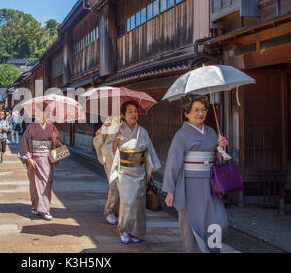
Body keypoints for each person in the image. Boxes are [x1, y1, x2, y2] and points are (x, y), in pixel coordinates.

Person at [162, 94, 229, 253]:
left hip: (211, 183)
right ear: (187, 113)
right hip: (190, 184)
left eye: (204, 109)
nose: (201, 113)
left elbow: (221, 160)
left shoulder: (213, 132)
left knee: (217, 221)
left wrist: (221, 148)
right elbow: (173, 163)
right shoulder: (181, 135)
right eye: (196, 110)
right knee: (192, 222)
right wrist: (170, 190)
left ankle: (212, 251)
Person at [109, 101, 161, 244]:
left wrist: (150, 171)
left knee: (138, 204)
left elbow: (149, 152)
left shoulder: (143, 132)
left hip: (139, 172)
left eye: (135, 111)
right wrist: (116, 142)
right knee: (127, 202)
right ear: (124, 115)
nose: (133, 114)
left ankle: (136, 232)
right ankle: (125, 230)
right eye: (130, 111)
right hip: (124, 172)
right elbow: (114, 154)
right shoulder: (118, 131)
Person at [18, 104, 61, 221]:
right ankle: (36, 206)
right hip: (34, 159)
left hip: (47, 159)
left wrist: (54, 138)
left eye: (40, 112)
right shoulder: (31, 127)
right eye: (36, 112)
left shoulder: (51, 127)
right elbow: (25, 143)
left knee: (46, 184)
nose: (37, 114)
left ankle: (45, 209)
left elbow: (58, 143)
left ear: (45, 113)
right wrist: (28, 158)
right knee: (34, 185)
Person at [93, 116, 121, 225]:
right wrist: (105, 128)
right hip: (111, 155)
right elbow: (97, 139)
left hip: (126, 155)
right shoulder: (110, 121)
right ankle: (111, 210)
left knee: (125, 185)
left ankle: (122, 211)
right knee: (114, 183)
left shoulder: (129, 121)